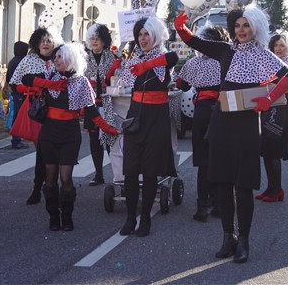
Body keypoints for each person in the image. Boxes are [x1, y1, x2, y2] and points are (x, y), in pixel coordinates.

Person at [175, 7, 288, 263]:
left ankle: (244, 240)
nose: (241, 30)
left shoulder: (264, 55)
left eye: (246, 25)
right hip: (221, 121)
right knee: (222, 181)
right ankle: (227, 237)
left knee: (243, 185)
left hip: (247, 125)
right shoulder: (224, 50)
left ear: (256, 28)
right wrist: (180, 28)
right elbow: (194, 41)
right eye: (238, 25)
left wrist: (269, 99)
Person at [22, 43, 118, 231]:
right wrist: (49, 84)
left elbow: (91, 112)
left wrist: (108, 129)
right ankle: (53, 216)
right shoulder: (49, 76)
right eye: (55, 57)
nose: (55, 59)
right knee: (50, 178)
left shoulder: (81, 82)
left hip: (69, 134)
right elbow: (25, 79)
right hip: (49, 133)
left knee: (66, 178)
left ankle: (66, 216)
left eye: (59, 56)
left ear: (69, 59)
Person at [118, 16, 179, 238]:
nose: (142, 39)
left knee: (151, 172)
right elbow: (123, 82)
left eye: (146, 34)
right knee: (131, 171)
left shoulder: (163, 56)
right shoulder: (133, 59)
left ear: (154, 34)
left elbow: (173, 58)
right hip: (136, 116)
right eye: (139, 35)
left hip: (157, 118)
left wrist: (147, 64)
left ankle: (145, 219)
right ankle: (130, 217)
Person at [176, 24, 230, 221]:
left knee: (203, 160)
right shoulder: (227, 59)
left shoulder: (195, 63)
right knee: (221, 158)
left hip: (202, 109)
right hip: (224, 109)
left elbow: (182, 85)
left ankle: (202, 206)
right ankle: (219, 204)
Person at [10, 27, 63, 205]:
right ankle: (40, 188)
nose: (46, 43)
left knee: (50, 152)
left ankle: (48, 187)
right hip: (37, 110)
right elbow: (14, 84)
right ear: (37, 43)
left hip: (56, 109)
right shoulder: (28, 60)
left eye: (49, 40)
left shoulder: (61, 59)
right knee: (42, 151)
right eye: (42, 40)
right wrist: (30, 88)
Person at [257, 32, 288, 203]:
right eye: (276, 45)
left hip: (281, 107)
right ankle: (271, 188)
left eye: (282, 46)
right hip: (267, 105)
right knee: (266, 150)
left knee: (274, 148)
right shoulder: (270, 61)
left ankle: (277, 189)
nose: (278, 49)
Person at [83, 24, 116, 186]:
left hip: (108, 103)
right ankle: (98, 174)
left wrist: (108, 82)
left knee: (110, 139)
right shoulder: (84, 57)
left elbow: (118, 80)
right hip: (91, 105)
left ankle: (117, 173)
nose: (94, 42)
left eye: (98, 39)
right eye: (92, 39)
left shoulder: (111, 57)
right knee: (94, 141)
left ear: (104, 41)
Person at [5, 41, 29, 149]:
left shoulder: (12, 61)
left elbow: (8, 79)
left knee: (17, 115)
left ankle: (18, 138)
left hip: (16, 92)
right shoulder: (22, 62)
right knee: (18, 116)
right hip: (20, 92)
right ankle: (16, 139)